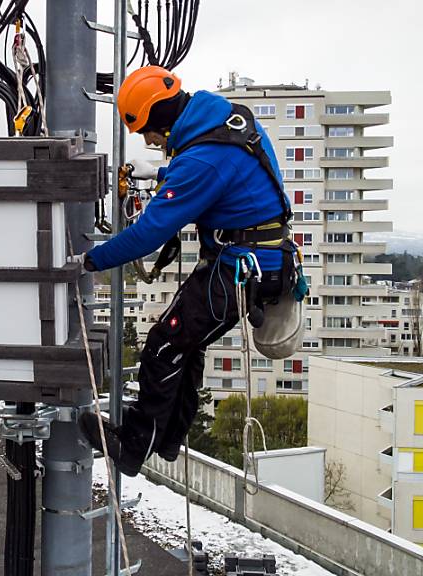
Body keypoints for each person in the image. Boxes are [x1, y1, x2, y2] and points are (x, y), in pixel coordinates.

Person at [77, 65, 299, 477]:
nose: (149, 140)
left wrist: (91, 260)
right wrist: (160, 173)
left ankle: (133, 445)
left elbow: (149, 232)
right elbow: (220, 176)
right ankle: (168, 436)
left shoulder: (202, 159)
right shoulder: (226, 120)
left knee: (165, 343)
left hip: (238, 269)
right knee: (186, 344)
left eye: (148, 131)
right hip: (255, 261)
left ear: (162, 117)